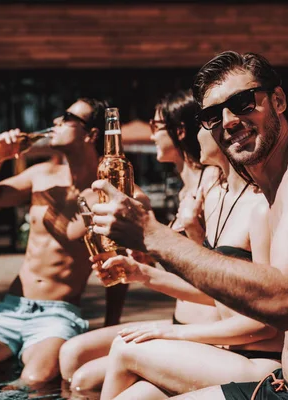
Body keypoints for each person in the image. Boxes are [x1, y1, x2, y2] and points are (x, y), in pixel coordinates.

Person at [90, 51, 288, 400]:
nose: (229, 120)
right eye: (211, 116)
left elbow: (281, 302)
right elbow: (249, 288)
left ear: (278, 100)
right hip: (285, 387)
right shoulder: (271, 195)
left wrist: (152, 234)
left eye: (242, 102)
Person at [0, 98, 129, 389]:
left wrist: (110, 327)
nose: (57, 121)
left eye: (68, 117)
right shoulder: (42, 175)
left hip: (58, 315)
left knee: (32, 383)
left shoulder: (107, 190)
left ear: (92, 135)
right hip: (11, 308)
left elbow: (118, 265)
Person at [97, 124, 283, 400]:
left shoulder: (260, 207)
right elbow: (221, 295)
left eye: (203, 125)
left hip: (262, 362)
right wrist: (141, 272)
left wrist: (172, 332)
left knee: (124, 347)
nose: (194, 136)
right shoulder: (220, 201)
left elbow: (267, 320)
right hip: (226, 352)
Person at [59, 90, 223, 392]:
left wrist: (158, 248)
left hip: (206, 327)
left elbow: (214, 269)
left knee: (83, 378)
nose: (150, 134)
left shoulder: (210, 188)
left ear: (180, 131)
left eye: (155, 126)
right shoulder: (187, 191)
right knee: (72, 354)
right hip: (178, 317)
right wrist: (146, 254)